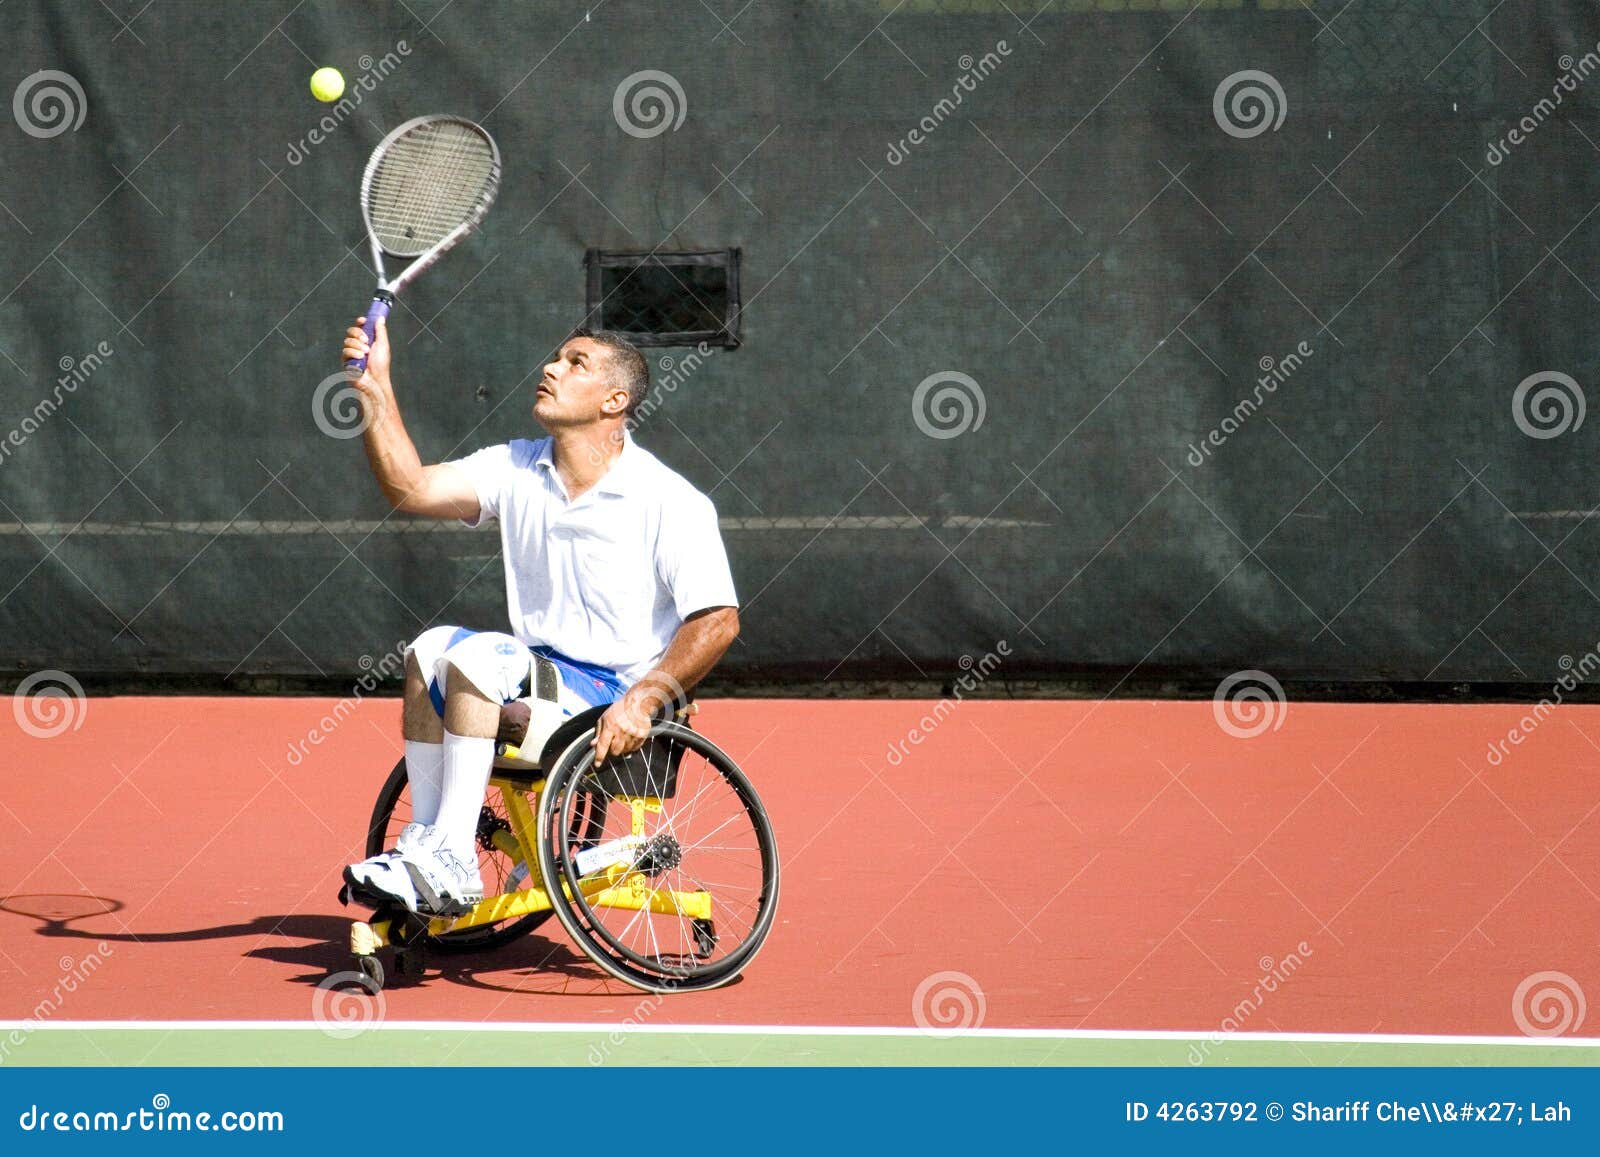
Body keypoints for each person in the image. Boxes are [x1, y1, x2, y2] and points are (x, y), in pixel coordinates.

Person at [336, 314, 740, 917]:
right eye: (555, 358)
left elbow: (718, 620)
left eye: (575, 363)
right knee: (428, 649)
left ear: (615, 400)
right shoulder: (518, 466)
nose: (550, 368)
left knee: (474, 656)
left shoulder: (670, 500)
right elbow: (411, 488)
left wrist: (645, 699)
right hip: (537, 677)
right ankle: (426, 848)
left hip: (611, 696)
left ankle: (454, 855)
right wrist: (375, 388)